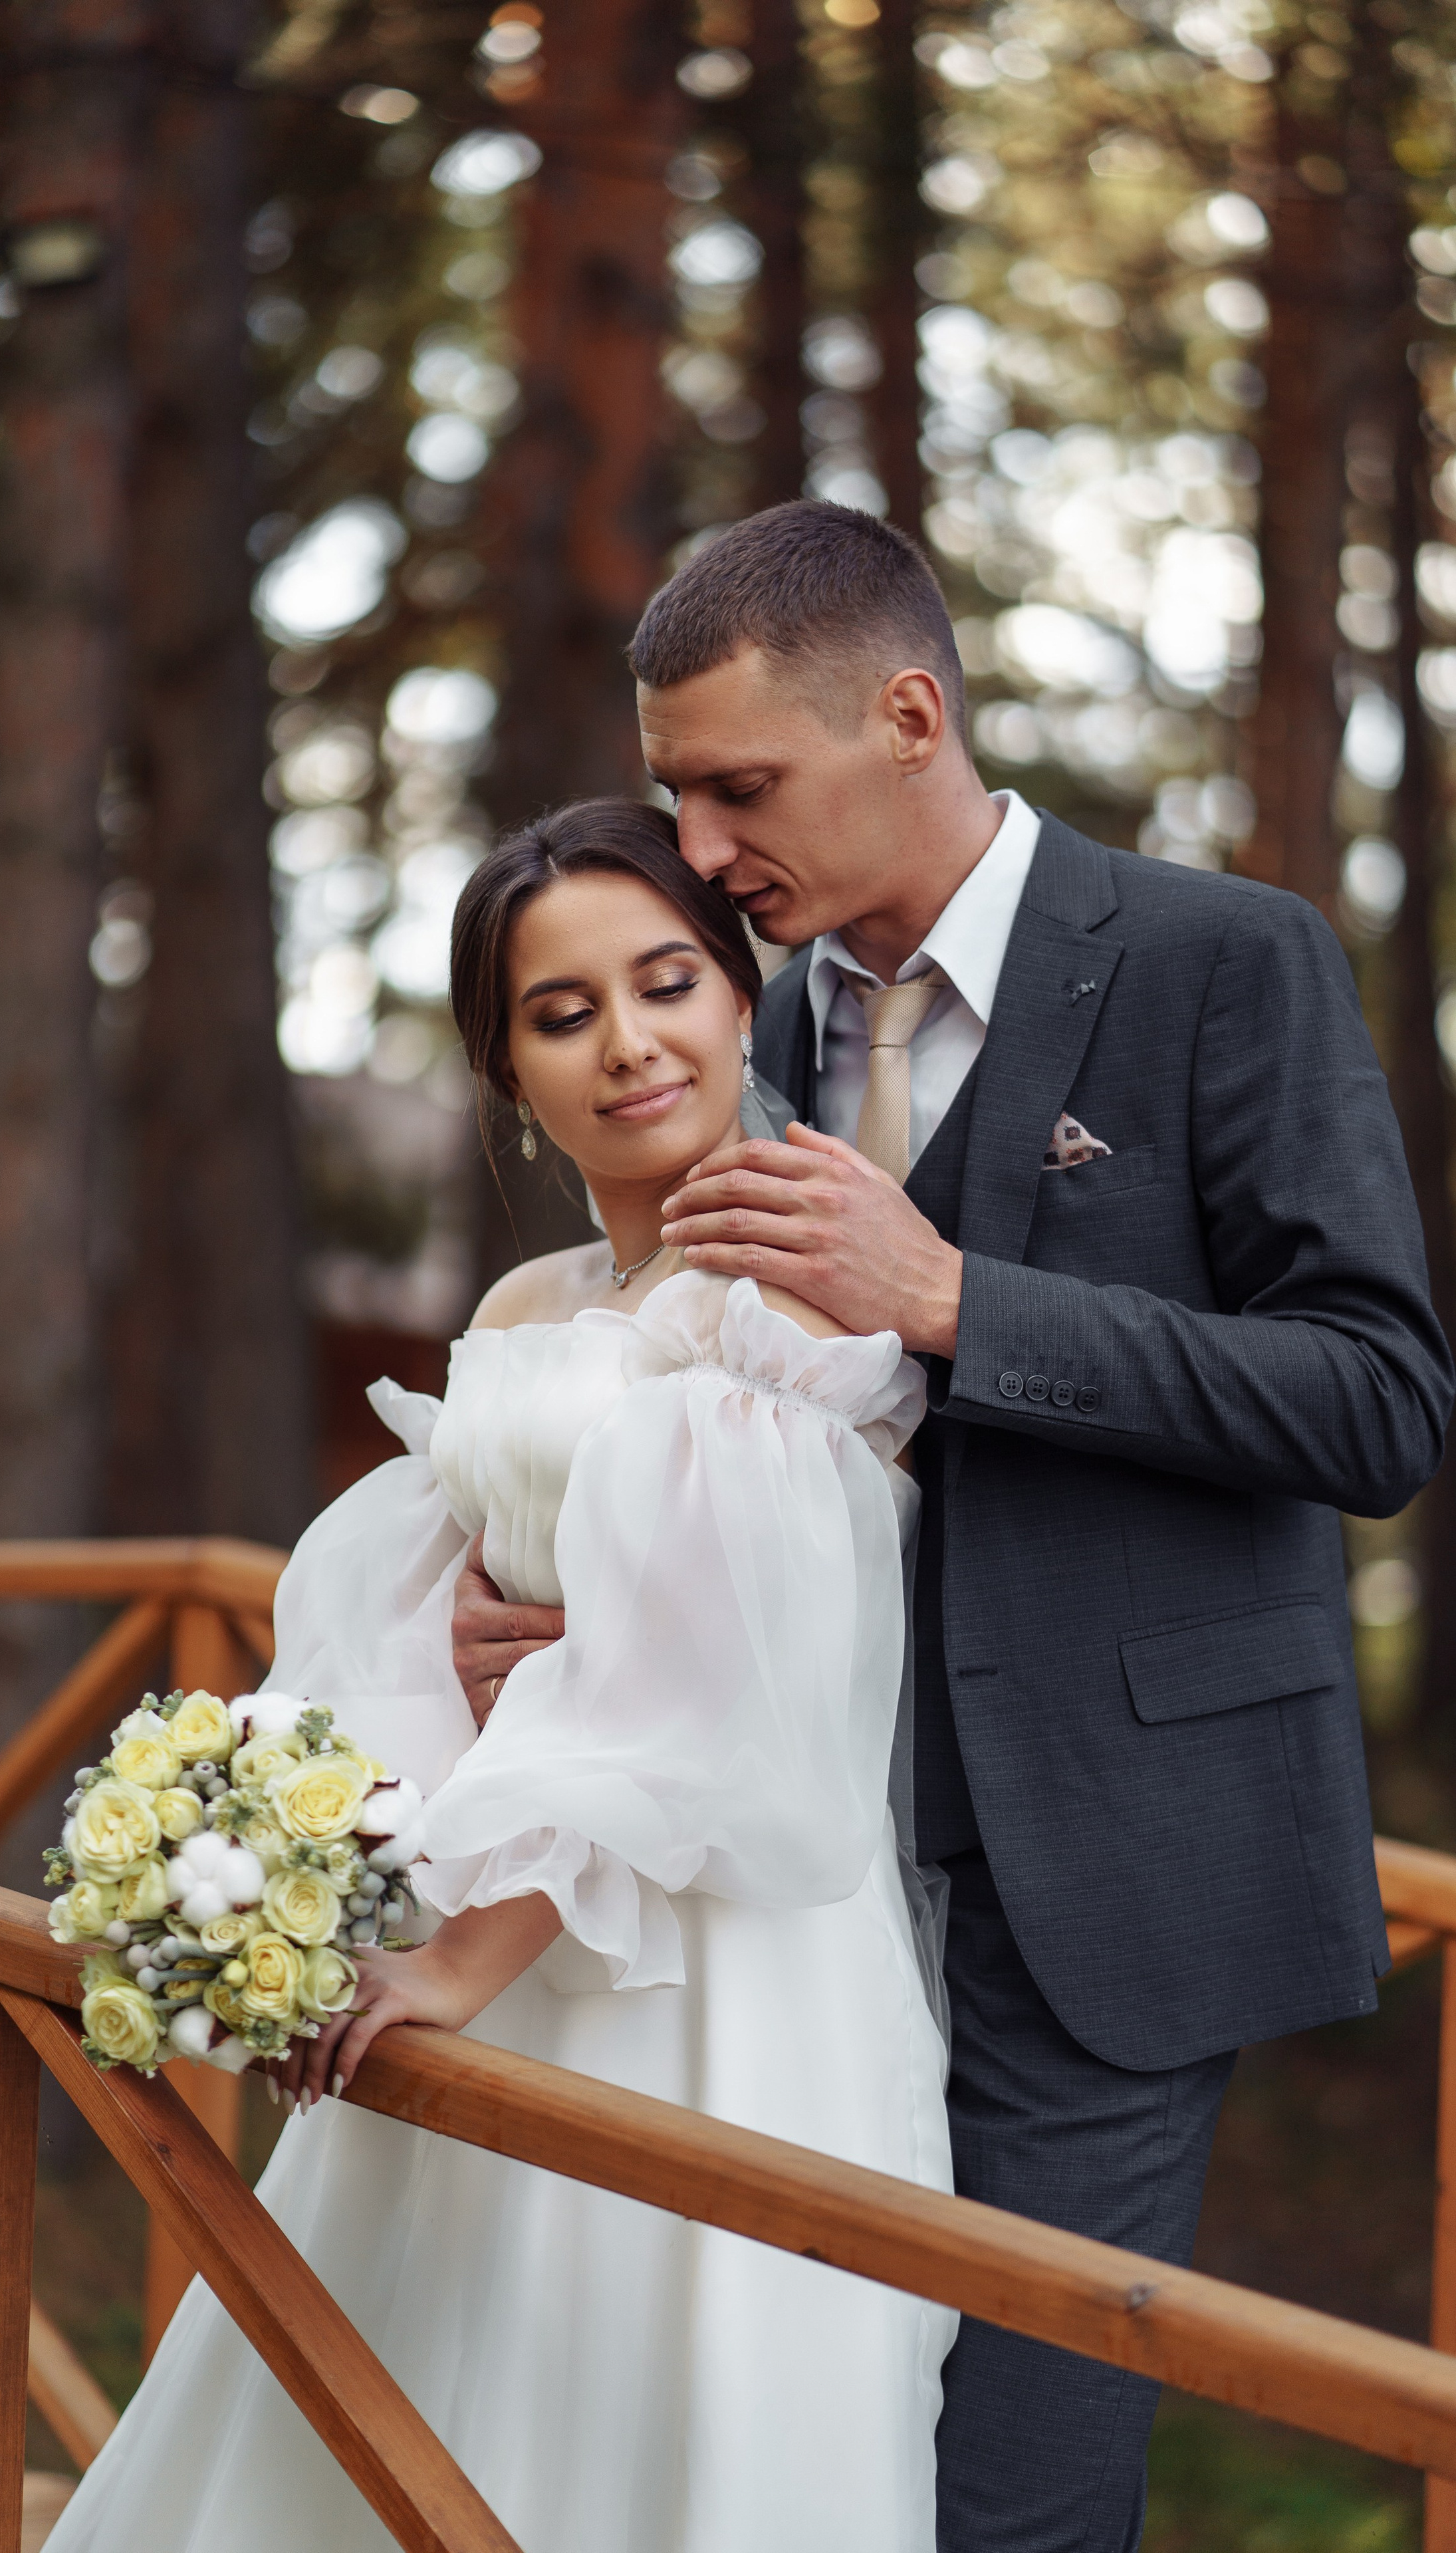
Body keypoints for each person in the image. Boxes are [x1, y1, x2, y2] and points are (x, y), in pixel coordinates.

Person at [453, 500, 1456, 2553]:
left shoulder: (1219, 963)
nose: (707, 854)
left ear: (908, 714)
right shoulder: (765, 1014)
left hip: (1105, 1870)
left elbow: (1377, 1401)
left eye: (742, 789)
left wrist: (958, 1301)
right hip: (793, 1890)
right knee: (797, 2460)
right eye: (679, 796)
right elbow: (704, 1414)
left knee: (1009, 2490)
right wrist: (568, 1614)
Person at [45, 796, 955, 2553]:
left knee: (644, 2402)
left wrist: (462, 1958)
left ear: (741, 994)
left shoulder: (796, 1279)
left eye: (668, 981)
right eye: (562, 1013)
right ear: (506, 1067)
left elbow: (714, 1691)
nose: (630, 1044)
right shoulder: (535, 1310)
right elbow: (400, 1615)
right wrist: (277, 1855)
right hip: (491, 1892)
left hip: (704, 1969)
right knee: (399, 2401)